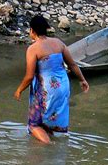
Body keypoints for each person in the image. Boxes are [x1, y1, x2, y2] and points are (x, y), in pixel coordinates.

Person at [14, 15, 90, 144]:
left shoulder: (33, 49)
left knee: (34, 124)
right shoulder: (58, 43)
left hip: (48, 88)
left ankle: (48, 145)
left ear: (32, 30)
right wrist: (82, 80)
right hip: (63, 85)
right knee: (47, 118)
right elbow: (72, 65)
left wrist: (19, 90)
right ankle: (48, 143)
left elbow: (29, 76)